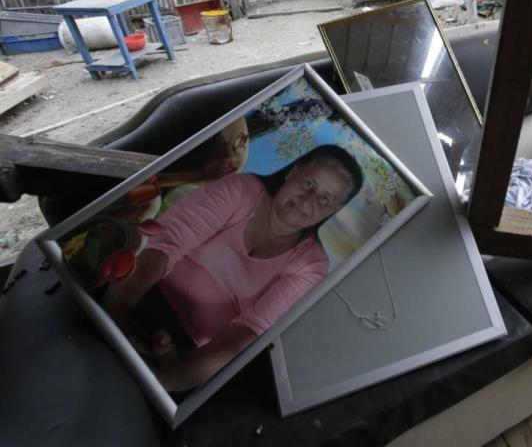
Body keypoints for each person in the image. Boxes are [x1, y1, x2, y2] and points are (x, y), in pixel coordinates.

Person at [102, 144, 364, 392]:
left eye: (324, 199)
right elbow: (165, 244)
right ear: (293, 172)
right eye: (308, 184)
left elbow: (246, 334)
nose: (308, 201)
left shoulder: (311, 266)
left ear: (335, 209)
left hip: (188, 349)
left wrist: (175, 376)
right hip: (140, 291)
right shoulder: (242, 190)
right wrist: (118, 308)